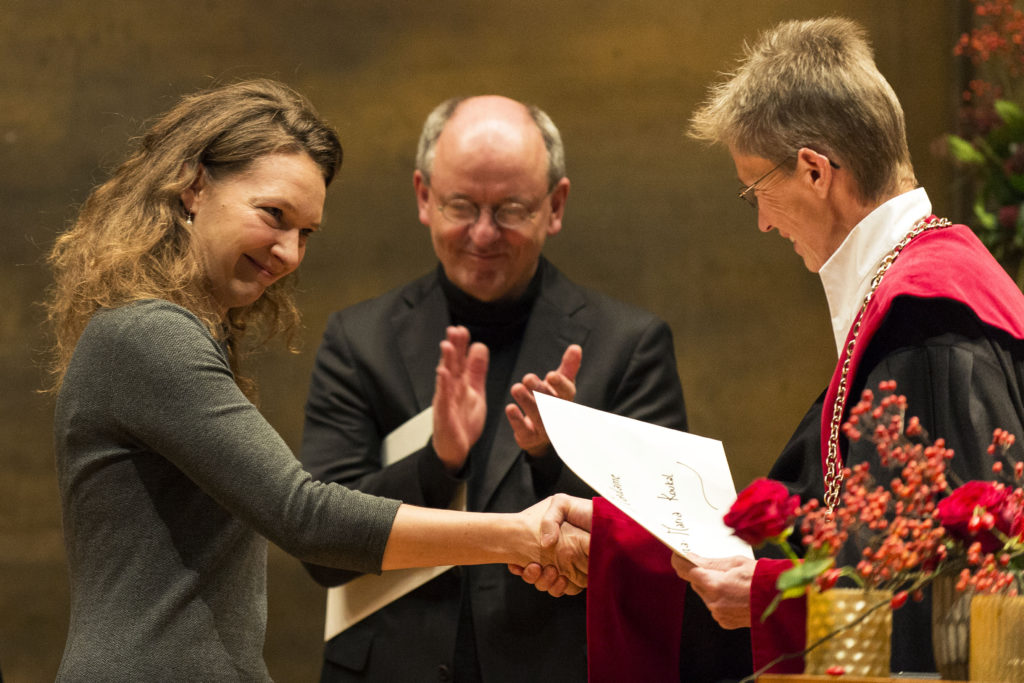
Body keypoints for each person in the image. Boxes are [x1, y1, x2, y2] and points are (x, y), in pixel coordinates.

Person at [45, 79, 590, 682]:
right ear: (194, 187)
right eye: (274, 216)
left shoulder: (167, 332)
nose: (288, 253)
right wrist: (517, 536)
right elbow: (305, 516)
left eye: (304, 233)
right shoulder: (150, 335)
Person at [581, 16, 1024, 678]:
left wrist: (765, 598)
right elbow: (819, 525)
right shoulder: (909, 294)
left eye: (757, 189)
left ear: (815, 171)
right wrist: (604, 528)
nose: (761, 220)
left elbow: (958, 599)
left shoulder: (930, 322)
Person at [298, 94, 690, 682]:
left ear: (555, 206)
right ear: (424, 197)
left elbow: (663, 549)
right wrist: (438, 461)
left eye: (510, 208)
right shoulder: (360, 339)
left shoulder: (629, 344)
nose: (483, 234)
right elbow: (321, 551)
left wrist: (551, 455)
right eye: (461, 205)